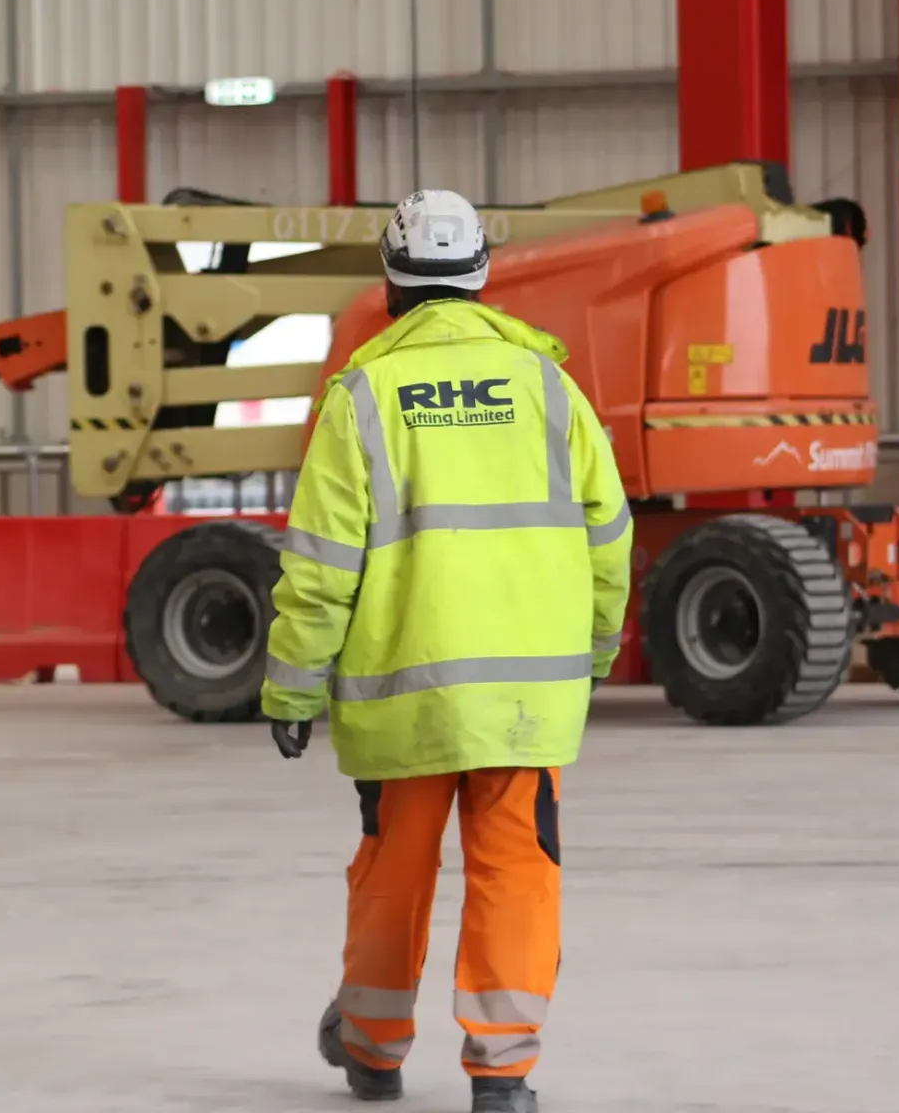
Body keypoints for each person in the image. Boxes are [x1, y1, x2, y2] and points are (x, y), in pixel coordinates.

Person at [259, 190, 633, 1113]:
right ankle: (503, 1074)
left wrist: (292, 692)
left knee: (392, 875)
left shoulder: (362, 397)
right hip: (522, 705)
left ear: (390, 288)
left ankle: (373, 1051)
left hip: (403, 700)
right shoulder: (552, 388)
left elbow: (319, 568)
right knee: (516, 874)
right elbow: (609, 535)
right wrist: (593, 652)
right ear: (481, 280)